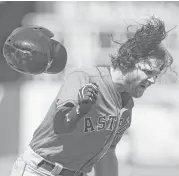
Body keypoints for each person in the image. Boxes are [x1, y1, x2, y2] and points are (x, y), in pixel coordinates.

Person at [10, 17, 174, 176]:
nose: (152, 80)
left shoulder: (126, 104)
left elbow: (106, 154)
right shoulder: (84, 77)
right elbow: (60, 124)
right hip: (41, 170)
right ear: (129, 61)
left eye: (156, 75)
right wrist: (79, 110)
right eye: (148, 71)